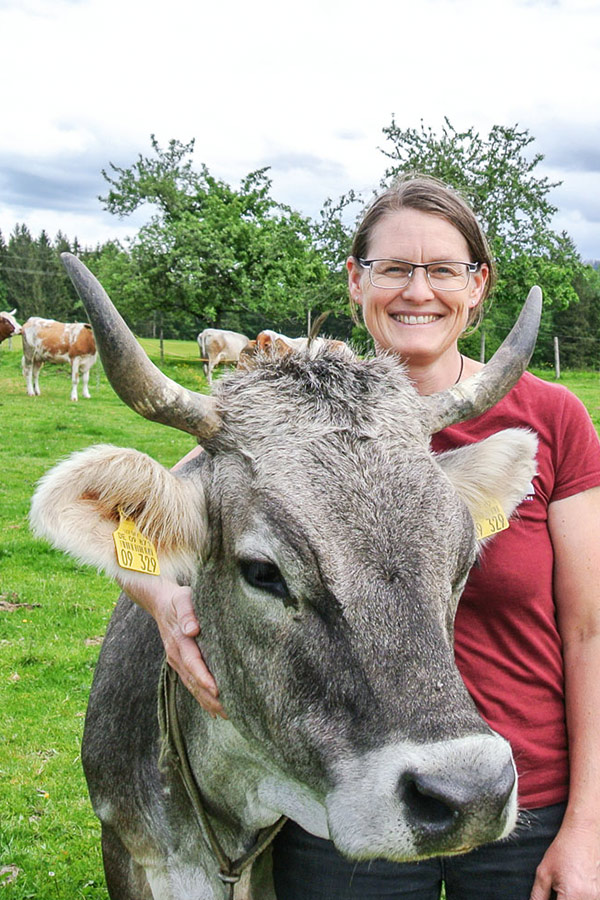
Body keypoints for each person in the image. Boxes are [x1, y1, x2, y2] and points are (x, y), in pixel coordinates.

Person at [119, 175, 600, 900]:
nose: (418, 291)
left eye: (443, 269)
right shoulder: (287, 423)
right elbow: (132, 524)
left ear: (478, 286)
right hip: (343, 788)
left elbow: (590, 631)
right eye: (394, 269)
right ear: (356, 280)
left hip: (520, 786)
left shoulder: (547, 419)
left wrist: (589, 826)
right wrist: (156, 596)